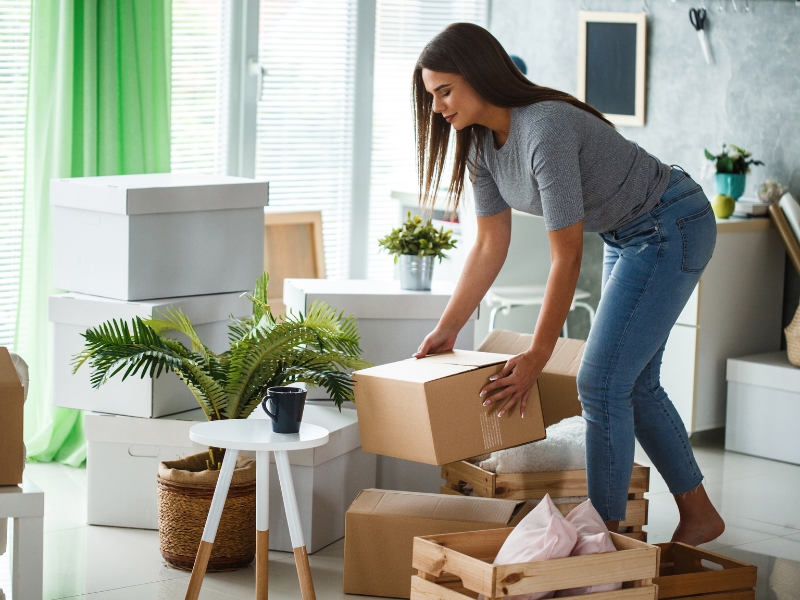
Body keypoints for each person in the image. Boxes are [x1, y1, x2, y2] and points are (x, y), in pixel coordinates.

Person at [411, 22, 725, 546]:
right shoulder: (478, 147)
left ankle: (599, 540)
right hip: (629, 234)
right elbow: (490, 243)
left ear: (480, 74)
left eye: (445, 90)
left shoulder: (544, 129)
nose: (439, 107)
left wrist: (538, 353)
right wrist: (447, 329)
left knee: (600, 384)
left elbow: (568, 256)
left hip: (671, 223)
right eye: (432, 96)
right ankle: (700, 515)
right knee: (634, 384)